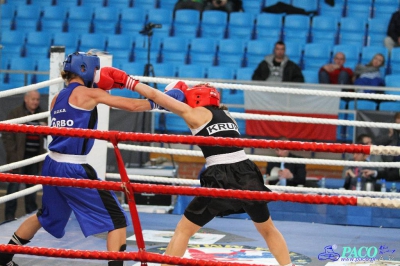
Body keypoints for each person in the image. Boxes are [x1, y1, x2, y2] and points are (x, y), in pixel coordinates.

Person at [0, 51, 185, 266]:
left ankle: (4, 258)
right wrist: (161, 103)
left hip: (51, 164)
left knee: (44, 216)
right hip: (73, 168)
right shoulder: (88, 95)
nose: (97, 74)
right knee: (116, 219)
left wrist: (102, 88)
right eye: (95, 70)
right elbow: (133, 106)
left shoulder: (55, 99)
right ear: (85, 69)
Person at [107, 79, 290, 265]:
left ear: (195, 97)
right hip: (247, 170)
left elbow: (154, 97)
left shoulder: (193, 114)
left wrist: (129, 81)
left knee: (184, 230)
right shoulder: (227, 115)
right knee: (268, 229)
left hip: (221, 175)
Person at [2, 90, 47, 222]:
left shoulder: (42, 115)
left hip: (34, 158)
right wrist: (13, 153)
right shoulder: (16, 113)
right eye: (33, 99)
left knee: (31, 191)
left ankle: (31, 219)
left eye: (37, 99)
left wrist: (46, 128)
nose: (35, 102)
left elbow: (48, 136)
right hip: (18, 158)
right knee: (13, 189)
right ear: (26, 99)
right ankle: (9, 218)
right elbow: (7, 134)